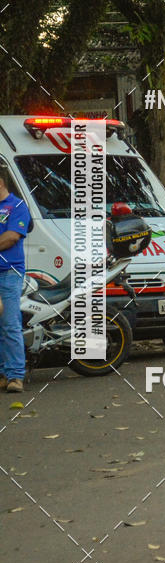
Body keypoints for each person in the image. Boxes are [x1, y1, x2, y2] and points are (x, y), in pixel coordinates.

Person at [0, 165, 32, 393]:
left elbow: (11, 237)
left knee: (9, 324)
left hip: (9, 273)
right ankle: (3, 373)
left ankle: (15, 376)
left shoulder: (17, 206)